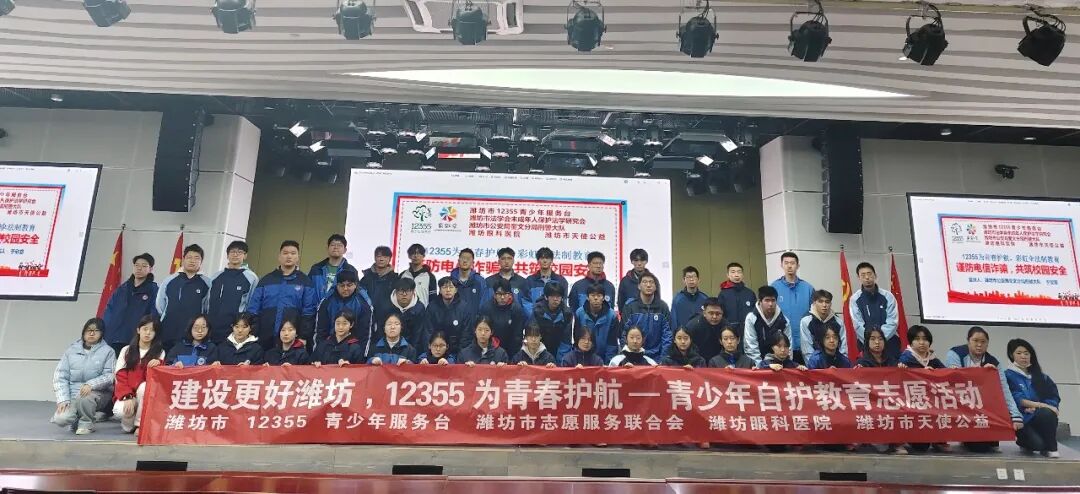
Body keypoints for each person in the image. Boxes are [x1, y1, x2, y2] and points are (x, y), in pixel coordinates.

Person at [946, 327, 1025, 453]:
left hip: (983, 409)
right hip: (961, 406)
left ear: (987, 344)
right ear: (968, 341)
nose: (979, 345)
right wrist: (982, 373)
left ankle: (987, 438)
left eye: (983, 342)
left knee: (988, 446)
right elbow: (954, 382)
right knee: (979, 448)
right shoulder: (955, 354)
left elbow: (1004, 389)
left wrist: (1015, 415)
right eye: (975, 341)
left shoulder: (994, 363)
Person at [247, 240, 319, 350]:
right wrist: (253, 333)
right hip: (265, 338)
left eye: (293, 253)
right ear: (279, 256)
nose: (289, 256)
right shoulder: (266, 280)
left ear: (298, 257)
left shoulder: (305, 282)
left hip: (293, 340)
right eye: (285, 253)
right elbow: (253, 309)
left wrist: (303, 336)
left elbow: (309, 312)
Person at [51, 318, 115, 435]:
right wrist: (63, 399)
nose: (91, 333)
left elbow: (110, 376)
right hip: (73, 394)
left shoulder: (108, 351)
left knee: (85, 397)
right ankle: (77, 419)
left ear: (101, 333)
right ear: (83, 332)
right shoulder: (71, 351)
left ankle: (87, 423)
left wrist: (90, 385)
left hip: (97, 393)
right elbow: (60, 377)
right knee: (61, 419)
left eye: (96, 331)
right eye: (88, 330)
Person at [1005, 338, 1061, 458]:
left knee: (1047, 413)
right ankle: (1024, 442)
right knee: (1037, 444)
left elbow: (1053, 396)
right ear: (1011, 355)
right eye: (1019, 353)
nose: (1023, 356)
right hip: (1023, 419)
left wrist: (1044, 407)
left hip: (1040, 416)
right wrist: (1039, 405)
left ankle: (1051, 448)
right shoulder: (1007, 376)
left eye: (1026, 353)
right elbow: (1015, 398)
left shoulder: (1042, 377)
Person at [854, 327, 906, 455]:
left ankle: (897, 443)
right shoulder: (862, 362)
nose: (877, 342)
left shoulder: (892, 360)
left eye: (880, 339)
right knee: (882, 447)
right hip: (872, 403)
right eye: (873, 339)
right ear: (867, 342)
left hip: (890, 401)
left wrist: (902, 369)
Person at [897, 325, 948, 453]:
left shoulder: (933, 360)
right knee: (921, 446)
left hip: (932, 402)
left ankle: (938, 440)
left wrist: (951, 370)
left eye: (925, 339)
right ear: (911, 342)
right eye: (917, 339)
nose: (921, 342)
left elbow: (947, 375)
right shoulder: (905, 359)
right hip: (913, 403)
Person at [112, 315, 165, 434]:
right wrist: (127, 396)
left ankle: (139, 425)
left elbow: (155, 380)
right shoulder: (126, 350)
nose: (148, 333)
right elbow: (120, 375)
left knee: (144, 386)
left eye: (152, 330)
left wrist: (158, 365)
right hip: (129, 394)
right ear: (138, 330)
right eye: (145, 329)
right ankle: (129, 422)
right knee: (120, 413)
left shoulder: (160, 352)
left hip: (144, 394)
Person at [156, 244, 210, 351]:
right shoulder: (169, 280)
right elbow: (160, 305)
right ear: (183, 259)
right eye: (189, 257)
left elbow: (207, 307)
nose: (192, 261)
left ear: (201, 262)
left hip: (192, 335)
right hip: (168, 332)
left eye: (197, 258)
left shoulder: (207, 283)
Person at [102, 253, 158, 356]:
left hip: (135, 340)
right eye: (137, 265)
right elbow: (109, 310)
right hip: (113, 338)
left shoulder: (154, 290)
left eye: (144, 266)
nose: (139, 268)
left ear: (150, 269)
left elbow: (153, 315)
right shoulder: (122, 289)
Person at [206, 241, 260, 344]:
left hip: (235, 331)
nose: (236, 254)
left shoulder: (251, 278)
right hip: (212, 330)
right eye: (233, 252)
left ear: (245, 256)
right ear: (227, 255)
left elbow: (252, 306)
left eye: (240, 252)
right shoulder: (216, 277)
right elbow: (206, 303)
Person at [314, 269, 375, 354]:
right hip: (330, 347)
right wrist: (319, 354)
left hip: (353, 349)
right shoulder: (327, 302)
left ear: (355, 285)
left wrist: (361, 356)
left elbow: (365, 334)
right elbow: (320, 331)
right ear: (336, 285)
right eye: (342, 285)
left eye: (349, 285)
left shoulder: (363, 303)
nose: (345, 289)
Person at [851, 262, 900, 360]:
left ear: (875, 275)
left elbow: (893, 321)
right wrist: (872, 340)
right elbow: (857, 324)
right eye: (863, 275)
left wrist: (880, 340)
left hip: (890, 343)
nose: (867, 277)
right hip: (866, 344)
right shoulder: (855, 299)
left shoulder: (888, 296)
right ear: (859, 278)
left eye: (869, 274)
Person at [770, 252, 814, 362]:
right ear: (781, 265)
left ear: (798, 266)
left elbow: (814, 314)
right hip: (781, 345)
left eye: (792, 263)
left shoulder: (808, 288)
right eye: (786, 263)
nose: (789, 266)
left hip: (804, 342)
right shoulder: (774, 287)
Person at [620, 272, 672, 362]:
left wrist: (663, 359)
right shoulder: (630, 306)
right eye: (644, 282)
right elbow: (624, 334)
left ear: (655, 287)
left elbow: (667, 336)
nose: (648, 285)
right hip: (634, 357)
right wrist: (627, 358)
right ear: (639, 286)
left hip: (657, 358)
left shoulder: (663, 307)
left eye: (651, 282)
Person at [377, 277, 429, 351]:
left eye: (408, 291)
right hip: (388, 345)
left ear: (413, 291)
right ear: (396, 291)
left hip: (410, 346)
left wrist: (411, 352)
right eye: (401, 291)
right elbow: (381, 329)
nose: (404, 294)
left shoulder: (419, 308)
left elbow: (418, 334)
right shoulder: (386, 306)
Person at [743, 285, 791, 366]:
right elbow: (751, 347)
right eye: (767, 300)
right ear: (760, 301)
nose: (770, 304)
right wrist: (761, 367)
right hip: (758, 365)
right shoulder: (751, 318)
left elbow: (788, 347)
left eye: (773, 300)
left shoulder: (784, 321)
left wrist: (786, 366)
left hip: (780, 364)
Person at [427, 276, 475, 357]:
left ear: (456, 290)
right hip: (436, 351)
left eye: (451, 287)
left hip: (457, 352)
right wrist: (431, 353)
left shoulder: (464, 307)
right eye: (444, 287)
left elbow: (466, 334)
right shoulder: (432, 307)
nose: (448, 290)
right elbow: (428, 332)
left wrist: (461, 355)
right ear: (440, 290)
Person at [574, 284, 620, 364]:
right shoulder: (579, 313)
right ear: (587, 297)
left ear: (603, 298)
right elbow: (577, 339)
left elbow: (612, 343)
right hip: (583, 358)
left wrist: (608, 364)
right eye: (592, 295)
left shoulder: (612, 316)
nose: (596, 298)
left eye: (599, 295)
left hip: (604, 357)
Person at [480, 278, 527, 355]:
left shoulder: (516, 309)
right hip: (491, 348)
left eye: (505, 294)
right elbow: (484, 331)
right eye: (499, 294)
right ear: (494, 295)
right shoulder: (486, 308)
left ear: (510, 295)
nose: (502, 297)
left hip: (511, 348)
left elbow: (517, 336)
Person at [529, 281, 573, 361]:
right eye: (552, 296)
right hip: (540, 349)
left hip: (559, 349)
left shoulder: (567, 313)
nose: (555, 299)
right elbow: (533, 335)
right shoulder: (537, 311)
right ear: (546, 297)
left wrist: (560, 361)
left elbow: (566, 340)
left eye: (558, 296)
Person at [799, 289, 847, 361]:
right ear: (814, 303)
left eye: (827, 302)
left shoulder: (839, 322)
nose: (824, 305)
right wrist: (814, 365)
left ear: (830, 304)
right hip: (815, 364)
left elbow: (843, 348)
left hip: (836, 363)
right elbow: (807, 350)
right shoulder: (806, 321)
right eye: (820, 301)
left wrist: (840, 364)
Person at [308, 234, 356, 302]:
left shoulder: (351, 270)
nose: (336, 247)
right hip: (316, 307)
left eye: (339, 245)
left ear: (345, 250)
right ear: (327, 248)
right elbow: (308, 291)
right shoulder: (316, 269)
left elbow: (355, 294)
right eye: (333, 245)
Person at [523, 247, 568, 315]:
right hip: (535, 319)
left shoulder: (561, 281)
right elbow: (526, 302)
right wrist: (535, 316)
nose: (545, 261)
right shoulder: (530, 280)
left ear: (551, 260)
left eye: (547, 258)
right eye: (542, 258)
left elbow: (563, 302)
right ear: (538, 260)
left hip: (555, 319)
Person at [717, 262, 755, 339]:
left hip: (748, 332)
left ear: (742, 275)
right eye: (733, 272)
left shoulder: (750, 293)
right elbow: (720, 314)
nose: (736, 275)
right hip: (729, 333)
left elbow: (755, 313)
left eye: (739, 272)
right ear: (728, 275)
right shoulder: (723, 294)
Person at [360, 245, 400, 318]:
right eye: (379, 256)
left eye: (385, 257)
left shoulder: (395, 278)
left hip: (388, 317)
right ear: (375, 258)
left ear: (389, 259)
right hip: (368, 315)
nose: (381, 259)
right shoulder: (366, 277)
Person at [450, 248, 490, 317]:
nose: (465, 261)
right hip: (454, 320)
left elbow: (484, 303)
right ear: (458, 261)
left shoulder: (480, 281)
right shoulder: (450, 280)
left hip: (474, 321)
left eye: (468, 259)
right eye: (463, 258)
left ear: (473, 262)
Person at [617, 248, 659, 313]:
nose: (639, 263)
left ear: (646, 261)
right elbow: (621, 303)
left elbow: (657, 302)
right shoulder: (625, 281)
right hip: (630, 316)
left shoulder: (653, 280)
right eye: (636, 260)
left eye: (642, 260)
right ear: (632, 262)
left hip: (649, 316)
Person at [685, 298, 725, 362]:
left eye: (718, 314)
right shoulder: (693, 326)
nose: (714, 317)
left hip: (719, 362)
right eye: (711, 313)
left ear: (722, 313)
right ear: (704, 313)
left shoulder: (726, 326)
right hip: (697, 361)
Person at [672, 266, 709, 331]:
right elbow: (674, 322)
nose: (691, 279)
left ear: (698, 280)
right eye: (688, 277)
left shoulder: (705, 299)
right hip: (683, 335)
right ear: (684, 280)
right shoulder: (677, 300)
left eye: (694, 277)